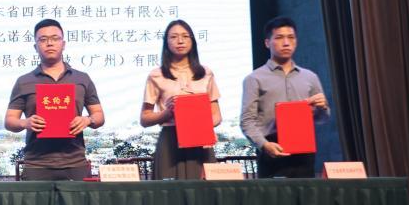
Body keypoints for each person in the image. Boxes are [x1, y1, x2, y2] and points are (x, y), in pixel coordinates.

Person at [5, 19, 105, 180]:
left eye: (55, 38)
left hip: (75, 162)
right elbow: (9, 121)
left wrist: (87, 120)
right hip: (37, 164)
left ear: (63, 44)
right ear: (35, 46)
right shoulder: (24, 81)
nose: (49, 43)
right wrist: (25, 123)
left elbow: (99, 115)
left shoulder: (82, 78)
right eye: (43, 39)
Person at [240, 16, 331, 178]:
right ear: (267, 43)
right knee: (272, 194)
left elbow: (322, 118)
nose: (286, 43)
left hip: (304, 151)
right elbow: (247, 121)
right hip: (271, 149)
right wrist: (264, 145)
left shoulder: (310, 77)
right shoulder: (254, 79)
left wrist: (322, 108)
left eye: (291, 37)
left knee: (305, 194)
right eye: (279, 38)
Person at [140, 20, 222, 180]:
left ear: (192, 41)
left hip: (201, 141)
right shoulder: (156, 75)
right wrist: (167, 113)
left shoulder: (206, 73)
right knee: (169, 192)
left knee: (202, 191)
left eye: (185, 36)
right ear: (166, 42)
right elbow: (144, 119)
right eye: (174, 37)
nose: (180, 41)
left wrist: (204, 127)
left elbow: (217, 115)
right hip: (170, 143)